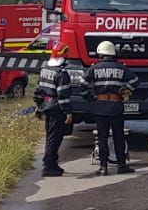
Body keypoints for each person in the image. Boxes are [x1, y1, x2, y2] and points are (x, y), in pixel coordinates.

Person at [86, 40, 140, 175]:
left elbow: (82, 84)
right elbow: (135, 81)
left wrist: (90, 97)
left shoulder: (94, 68)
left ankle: (103, 167)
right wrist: (125, 90)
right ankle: (122, 165)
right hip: (116, 106)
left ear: (100, 54)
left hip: (100, 106)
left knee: (102, 137)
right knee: (119, 136)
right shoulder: (121, 68)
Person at [33, 44, 86, 177]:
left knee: (49, 136)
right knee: (55, 138)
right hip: (57, 108)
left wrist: (39, 106)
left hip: (47, 106)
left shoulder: (45, 69)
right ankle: (48, 165)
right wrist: (68, 112)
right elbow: (63, 96)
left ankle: (52, 163)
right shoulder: (61, 73)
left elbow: (38, 90)